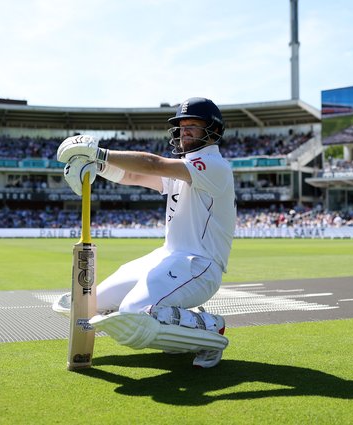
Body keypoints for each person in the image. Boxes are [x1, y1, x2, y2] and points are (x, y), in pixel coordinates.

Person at [55, 97, 236, 368]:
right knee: (89, 304)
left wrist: (100, 154)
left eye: (193, 126)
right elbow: (135, 176)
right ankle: (180, 332)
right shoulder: (184, 167)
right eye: (181, 126)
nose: (184, 131)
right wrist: (99, 168)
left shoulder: (214, 166)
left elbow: (152, 164)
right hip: (168, 257)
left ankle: (210, 328)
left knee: (134, 313)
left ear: (214, 130)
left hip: (200, 265)